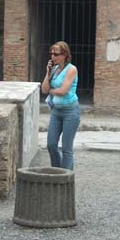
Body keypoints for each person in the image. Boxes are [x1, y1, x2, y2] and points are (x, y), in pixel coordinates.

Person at [41, 41, 80, 170]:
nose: (52, 56)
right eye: (51, 53)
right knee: (51, 145)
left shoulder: (71, 69)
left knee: (66, 148)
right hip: (56, 111)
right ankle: (58, 173)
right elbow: (44, 89)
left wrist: (52, 91)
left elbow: (63, 91)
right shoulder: (55, 69)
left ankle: (66, 178)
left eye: (56, 54)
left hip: (70, 112)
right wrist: (48, 72)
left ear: (64, 55)